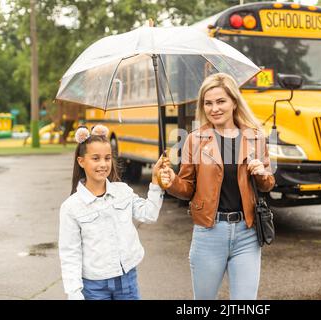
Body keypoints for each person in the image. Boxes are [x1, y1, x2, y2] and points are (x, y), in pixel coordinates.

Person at [159, 73, 275, 300]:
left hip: (247, 233)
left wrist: (262, 173)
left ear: (234, 102)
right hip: (209, 233)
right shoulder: (194, 139)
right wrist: (171, 181)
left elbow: (268, 184)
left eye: (220, 101)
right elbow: (187, 188)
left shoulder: (255, 138)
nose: (214, 108)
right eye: (208, 103)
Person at [58, 124, 171, 300]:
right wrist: (74, 293)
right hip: (94, 287)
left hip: (127, 280)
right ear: (81, 161)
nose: (103, 164)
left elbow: (149, 214)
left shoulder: (123, 191)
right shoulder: (71, 207)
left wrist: (156, 181)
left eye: (107, 158)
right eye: (95, 158)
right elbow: (69, 253)